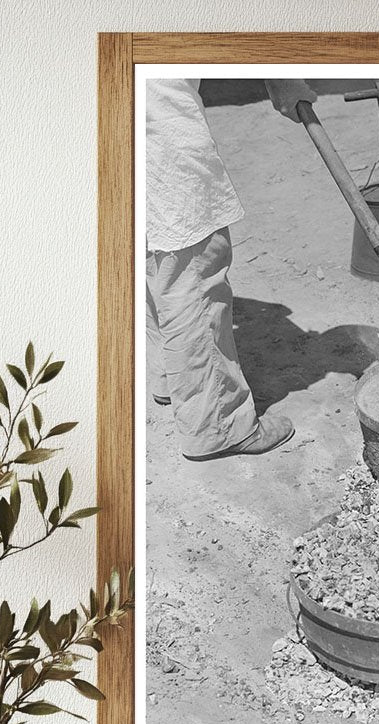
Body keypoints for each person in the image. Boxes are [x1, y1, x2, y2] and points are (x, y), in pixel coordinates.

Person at [145, 78, 316, 459]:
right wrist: (282, 77)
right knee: (193, 262)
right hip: (159, 111)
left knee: (153, 253)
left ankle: (172, 381)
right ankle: (218, 425)